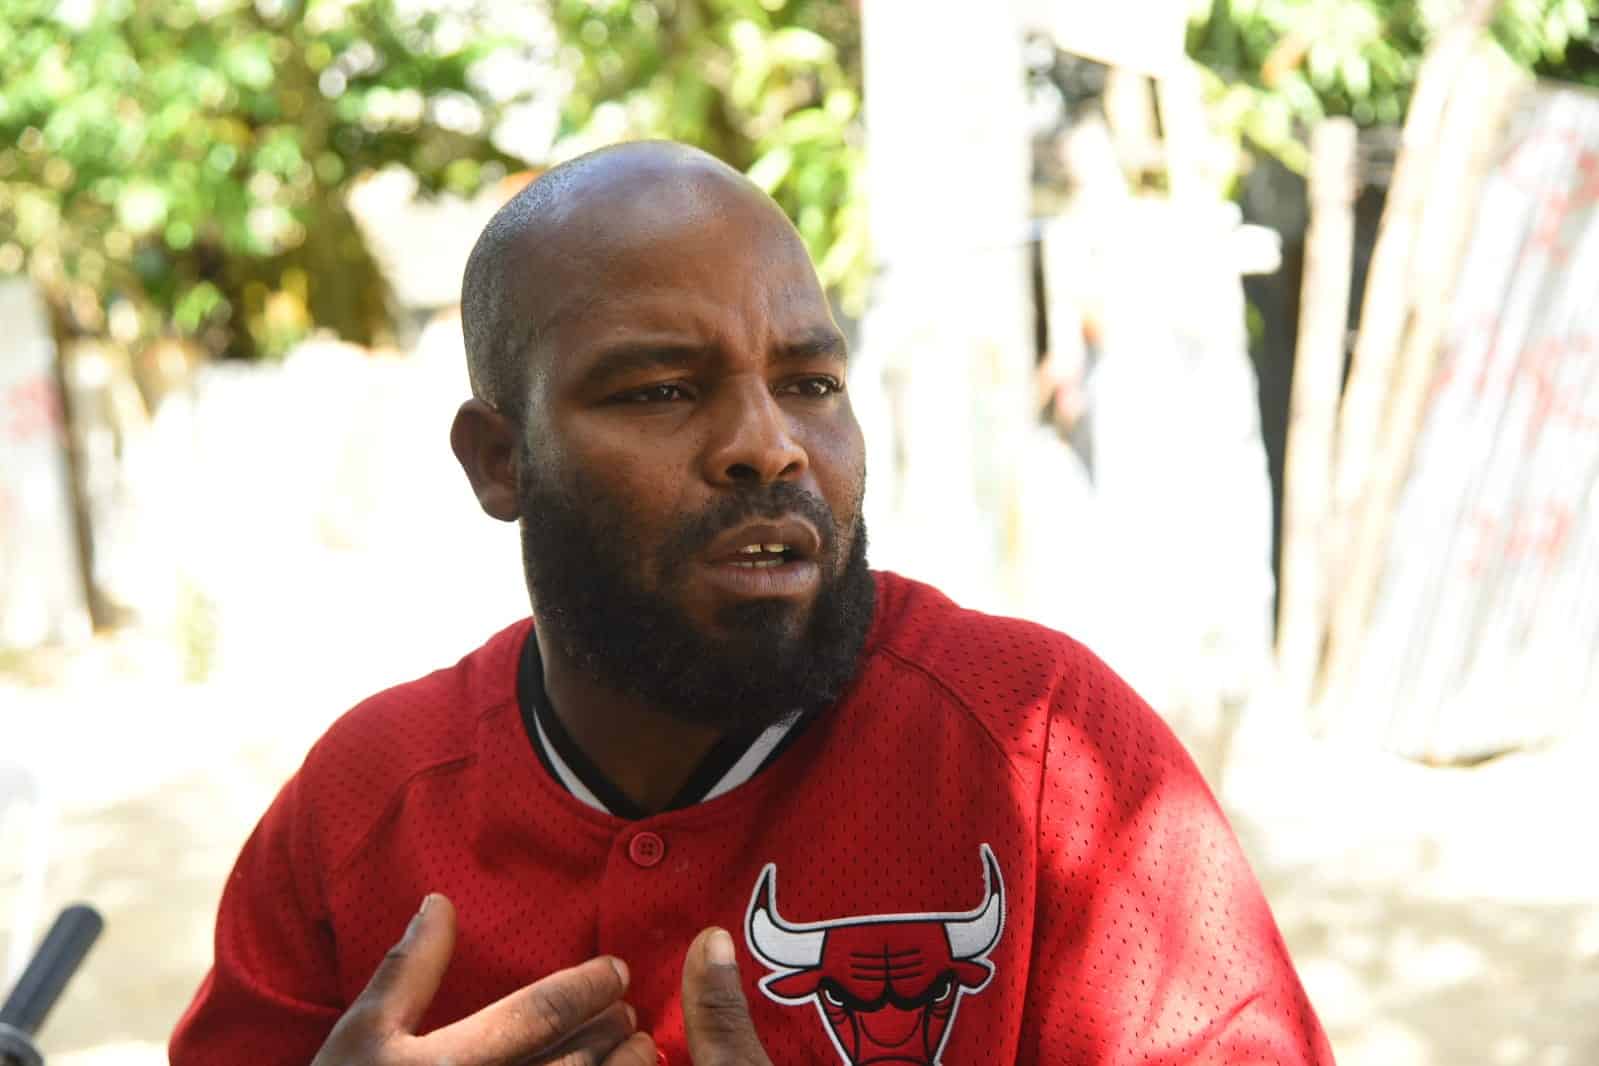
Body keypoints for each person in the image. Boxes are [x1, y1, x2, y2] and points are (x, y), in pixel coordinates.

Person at [169, 140, 1334, 1066]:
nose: (769, 447)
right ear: (498, 460)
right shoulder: (363, 806)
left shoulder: (1045, 755)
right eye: (664, 387)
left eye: (810, 381)